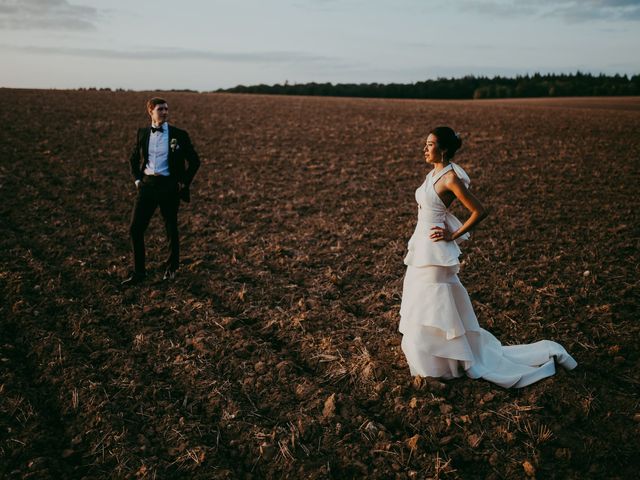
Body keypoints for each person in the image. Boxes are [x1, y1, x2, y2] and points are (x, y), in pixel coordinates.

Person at [399, 126, 576, 388]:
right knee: (421, 301)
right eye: (425, 144)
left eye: (430, 144)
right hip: (422, 247)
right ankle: (434, 361)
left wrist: (453, 235)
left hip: (435, 251)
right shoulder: (433, 173)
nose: (425, 148)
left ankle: (442, 364)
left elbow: (479, 211)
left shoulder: (450, 178)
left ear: (444, 149)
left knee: (433, 304)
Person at [122, 97, 200, 286]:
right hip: (147, 185)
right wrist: (138, 180)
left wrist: (183, 182)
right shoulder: (142, 133)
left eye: (166, 109)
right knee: (135, 229)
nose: (165, 112)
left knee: (170, 228)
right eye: (160, 109)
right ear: (150, 112)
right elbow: (133, 159)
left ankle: (171, 269)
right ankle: (139, 272)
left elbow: (195, 161)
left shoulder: (178, 135)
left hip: (168, 186)